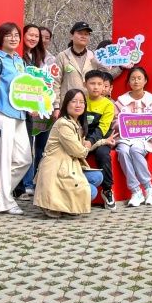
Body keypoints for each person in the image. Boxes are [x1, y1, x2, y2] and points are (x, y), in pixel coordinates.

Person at [0, 22, 32, 215]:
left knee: (24, 159)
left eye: (16, 35)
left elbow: (26, 88)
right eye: (9, 35)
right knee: (3, 160)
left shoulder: (20, 61)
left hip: (20, 114)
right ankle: (5, 202)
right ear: (1, 38)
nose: (13, 38)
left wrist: (33, 107)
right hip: (2, 114)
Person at [35, 90, 105, 218]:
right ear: (66, 104)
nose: (78, 105)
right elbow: (79, 151)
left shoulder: (76, 123)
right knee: (91, 191)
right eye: (74, 101)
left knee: (97, 176)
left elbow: (82, 147)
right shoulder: (63, 124)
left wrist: (103, 142)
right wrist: (85, 148)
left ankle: (66, 204)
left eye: (81, 102)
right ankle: (52, 204)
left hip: (69, 166)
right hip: (57, 169)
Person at [116, 66, 152, 207]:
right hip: (125, 137)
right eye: (133, 78)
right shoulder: (121, 101)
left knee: (135, 149)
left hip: (144, 138)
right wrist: (124, 125)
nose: (136, 81)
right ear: (128, 81)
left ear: (145, 81)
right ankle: (135, 191)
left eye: (139, 78)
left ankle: (149, 188)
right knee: (122, 151)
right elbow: (114, 121)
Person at [18, 22, 51, 200]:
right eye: (30, 35)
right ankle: (23, 185)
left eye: (36, 36)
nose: (33, 38)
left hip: (35, 110)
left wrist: (39, 105)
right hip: (19, 107)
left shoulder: (39, 58)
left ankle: (29, 183)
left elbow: (42, 85)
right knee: (23, 148)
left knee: (33, 146)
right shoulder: (18, 57)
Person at [83, 70, 117, 209]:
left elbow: (102, 128)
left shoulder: (108, 105)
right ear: (85, 84)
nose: (96, 87)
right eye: (92, 83)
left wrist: (90, 141)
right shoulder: (81, 100)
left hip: (102, 139)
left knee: (102, 154)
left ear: (104, 86)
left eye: (99, 84)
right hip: (82, 138)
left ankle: (107, 190)